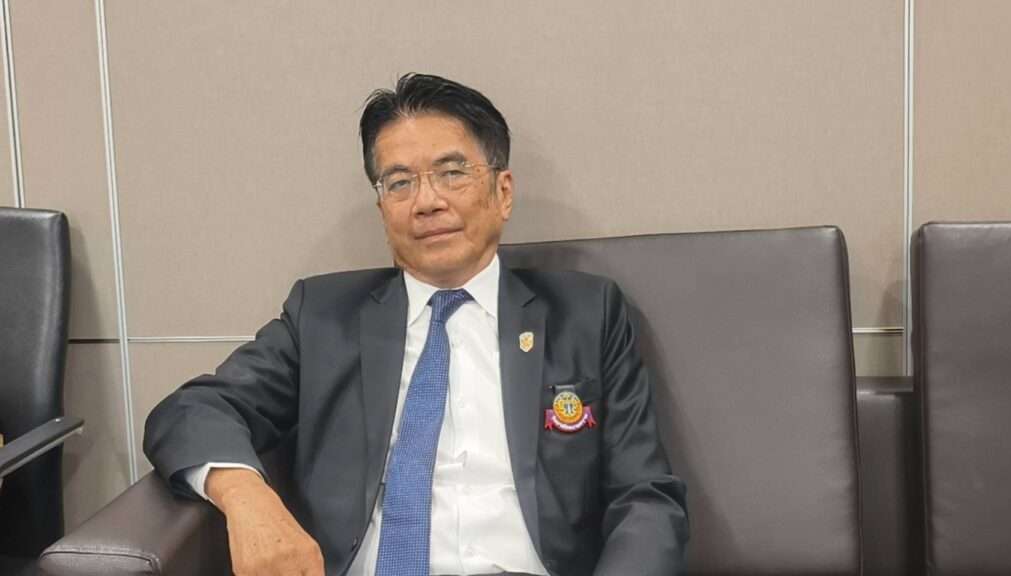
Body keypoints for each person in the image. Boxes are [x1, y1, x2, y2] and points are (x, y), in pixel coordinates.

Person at [144, 73, 688, 576]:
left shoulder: (586, 313)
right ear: (383, 209)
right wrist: (246, 496)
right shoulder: (323, 317)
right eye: (400, 183)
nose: (427, 202)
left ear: (502, 192)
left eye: (452, 173)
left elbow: (645, 496)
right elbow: (192, 411)